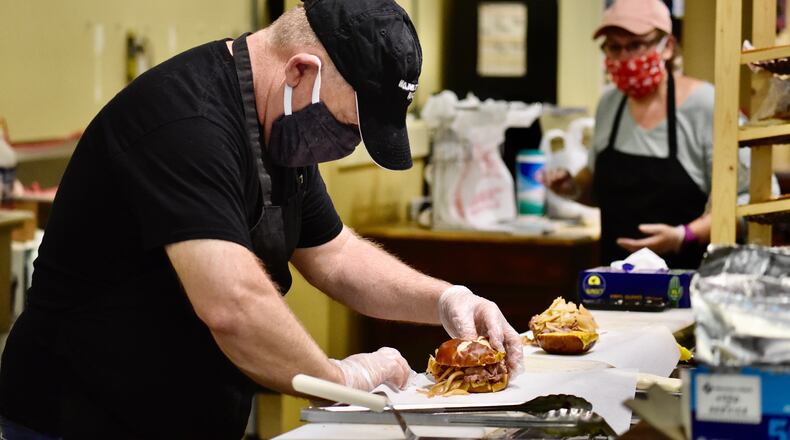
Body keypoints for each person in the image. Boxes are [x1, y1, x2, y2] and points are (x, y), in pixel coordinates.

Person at [0, 1, 523, 438]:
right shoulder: (187, 124)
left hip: (186, 417)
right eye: (349, 124)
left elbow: (335, 254)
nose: (348, 146)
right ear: (300, 71)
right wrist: (338, 376)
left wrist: (443, 298)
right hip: (76, 418)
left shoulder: (281, 129)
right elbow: (232, 304)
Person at [545, 0, 768, 269]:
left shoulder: (708, 105)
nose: (624, 57)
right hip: (616, 280)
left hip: (688, 283)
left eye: (636, 45)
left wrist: (683, 236)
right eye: (614, 47)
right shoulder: (609, 105)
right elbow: (597, 188)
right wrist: (572, 188)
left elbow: (751, 200)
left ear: (668, 47)